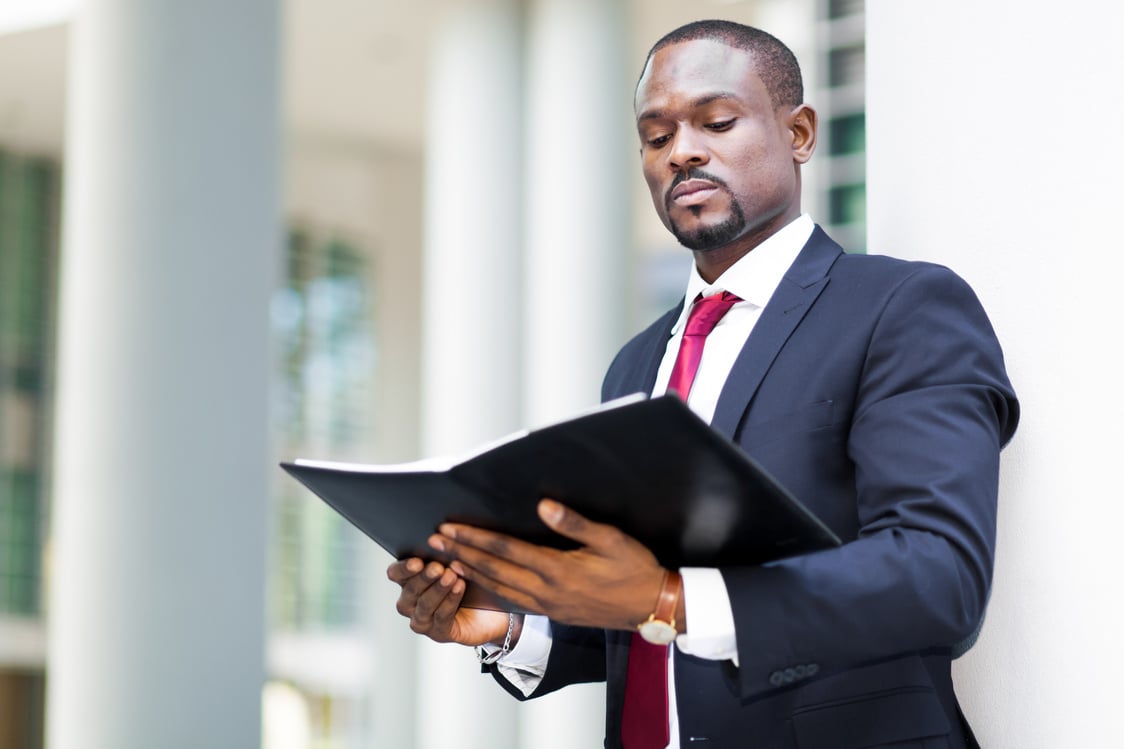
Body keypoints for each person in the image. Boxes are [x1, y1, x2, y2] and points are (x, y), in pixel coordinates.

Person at [388, 19, 1018, 749]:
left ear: (802, 133)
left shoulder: (899, 309)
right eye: (656, 138)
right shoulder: (635, 363)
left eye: (716, 122)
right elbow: (647, 630)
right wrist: (509, 624)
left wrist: (669, 596)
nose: (682, 150)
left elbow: (938, 576)